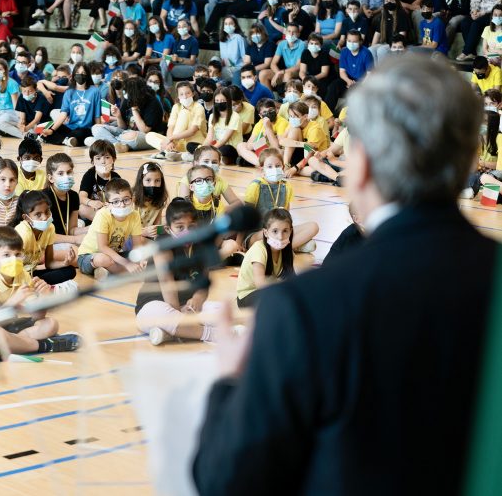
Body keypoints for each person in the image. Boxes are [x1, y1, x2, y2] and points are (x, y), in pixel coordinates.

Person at [194, 53, 496, 492]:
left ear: (362, 164)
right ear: (470, 157)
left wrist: (228, 381)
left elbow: (229, 481)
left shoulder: (304, 307)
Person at [0, 225, 81, 355]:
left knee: (51, 324)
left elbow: (37, 317)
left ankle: (17, 343)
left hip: (8, 325)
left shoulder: (23, 274)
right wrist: (13, 302)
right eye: (6, 255)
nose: (13, 260)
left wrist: (44, 298)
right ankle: (44, 345)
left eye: (17, 254)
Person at [134, 198, 220, 346]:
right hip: (155, 306)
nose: (187, 232)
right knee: (162, 315)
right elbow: (168, 284)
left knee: (221, 309)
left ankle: (173, 332)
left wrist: (197, 302)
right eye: (180, 227)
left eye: (191, 227)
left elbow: (203, 284)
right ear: (168, 229)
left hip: (185, 306)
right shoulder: (163, 244)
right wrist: (180, 315)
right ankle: (212, 334)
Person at [76, 177, 145, 279]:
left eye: (126, 200)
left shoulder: (135, 215)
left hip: (114, 255)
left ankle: (107, 271)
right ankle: (124, 272)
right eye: (116, 202)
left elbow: (137, 246)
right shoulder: (102, 215)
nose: (122, 205)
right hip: (89, 256)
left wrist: (140, 260)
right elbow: (102, 247)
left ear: (132, 198)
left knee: (148, 256)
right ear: (107, 204)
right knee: (103, 259)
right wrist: (127, 264)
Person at [13, 190, 77, 288]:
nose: (44, 218)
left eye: (47, 211)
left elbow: (49, 263)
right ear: (26, 218)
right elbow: (10, 267)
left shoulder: (50, 228)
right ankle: (33, 285)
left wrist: (64, 263)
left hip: (30, 273)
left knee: (70, 270)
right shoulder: (23, 233)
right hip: (15, 274)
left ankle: (35, 284)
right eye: (38, 214)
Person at [235, 207, 295, 308]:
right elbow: (260, 284)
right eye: (275, 231)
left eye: (285, 231)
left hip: (269, 292)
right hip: (248, 296)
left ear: (290, 231)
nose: (280, 236)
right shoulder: (259, 249)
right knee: (280, 300)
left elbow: (292, 280)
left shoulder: (288, 252)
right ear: (266, 232)